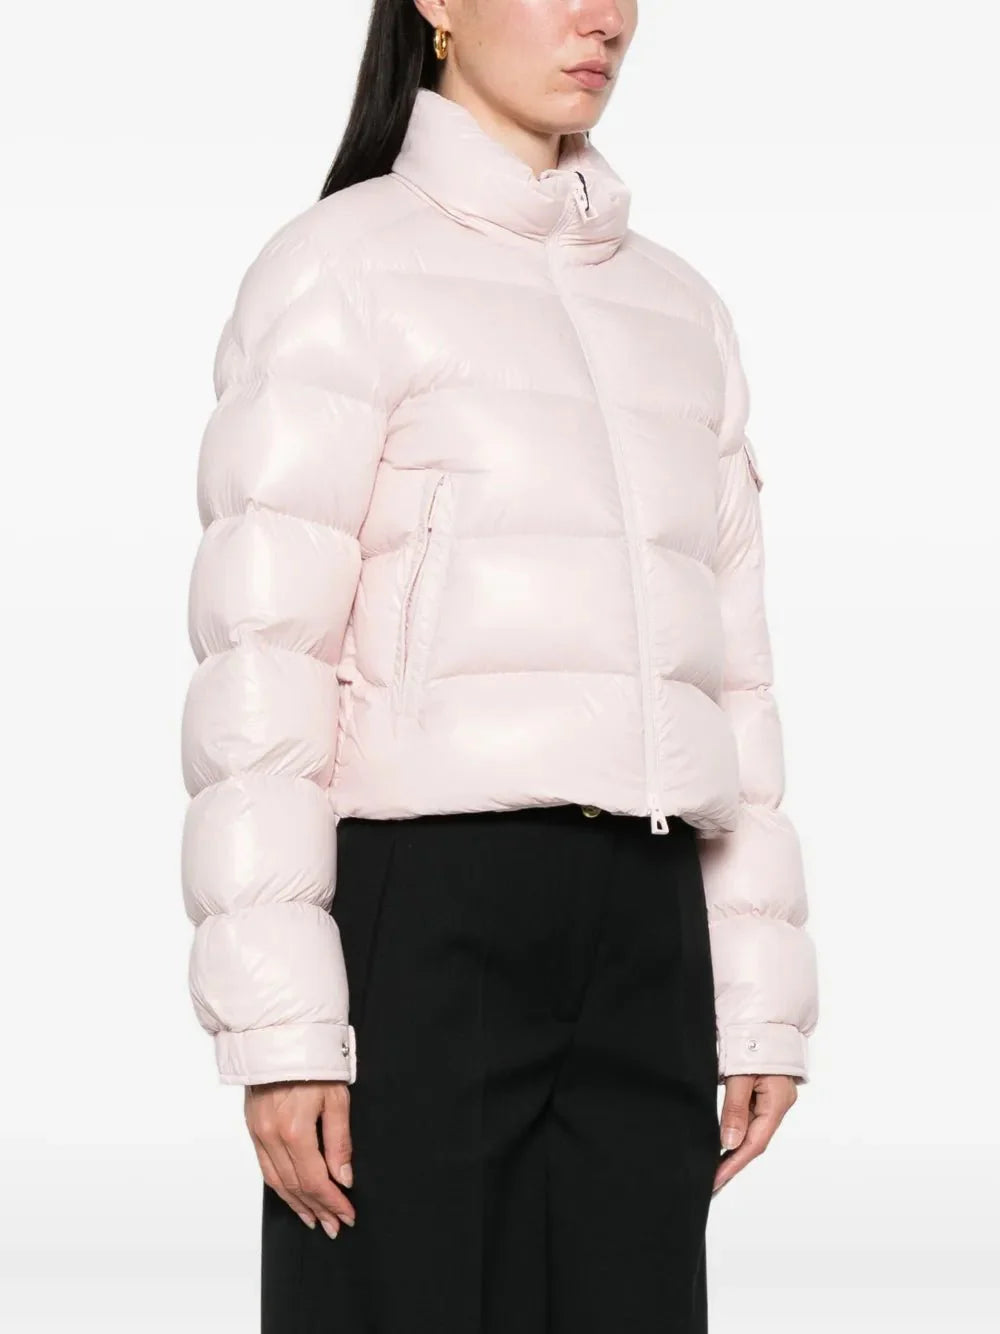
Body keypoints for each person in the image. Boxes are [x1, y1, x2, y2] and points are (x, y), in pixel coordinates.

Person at [180, 2, 819, 1330]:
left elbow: (734, 683)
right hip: (428, 914)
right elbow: (262, 666)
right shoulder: (341, 267)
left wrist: (761, 1003)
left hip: (649, 924)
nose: (605, 19)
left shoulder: (679, 310)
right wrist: (282, 1025)